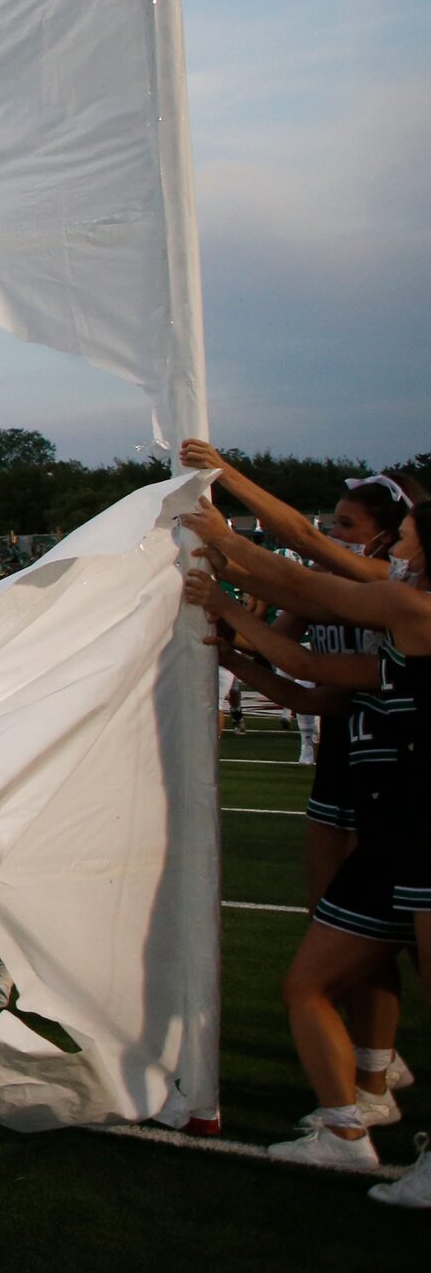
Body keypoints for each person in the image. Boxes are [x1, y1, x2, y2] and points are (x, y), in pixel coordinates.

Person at [183, 495, 429, 1202]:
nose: (398, 554)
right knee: (308, 983)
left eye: (407, 541)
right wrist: (230, 644)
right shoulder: (401, 642)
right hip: (390, 836)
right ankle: (346, 1128)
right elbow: (310, 684)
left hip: (421, 834)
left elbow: (303, 581)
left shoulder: (416, 613)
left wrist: (216, 547)